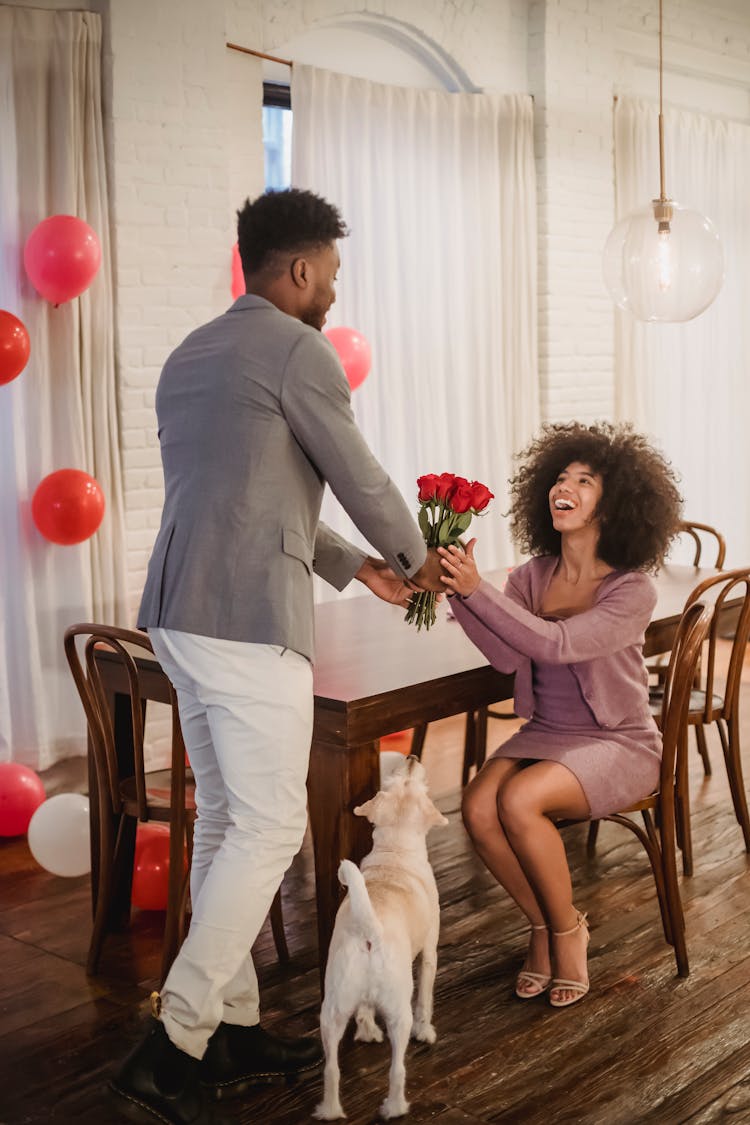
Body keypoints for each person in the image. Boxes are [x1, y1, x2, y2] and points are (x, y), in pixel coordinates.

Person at [111, 188, 443, 1125]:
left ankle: (232, 1025)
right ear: (298, 270)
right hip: (246, 620)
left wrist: (357, 567)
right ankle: (170, 1045)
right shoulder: (300, 348)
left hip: (177, 611)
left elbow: (245, 489)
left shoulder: (191, 354)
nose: (334, 293)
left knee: (223, 822)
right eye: (330, 275)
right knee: (267, 830)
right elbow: (354, 470)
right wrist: (424, 563)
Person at [438, 421, 682, 1009]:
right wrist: (456, 589)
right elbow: (506, 652)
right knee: (477, 805)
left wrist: (479, 591)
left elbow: (558, 645)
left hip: (619, 741)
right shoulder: (530, 576)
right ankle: (547, 922)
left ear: (615, 501)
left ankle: (568, 932)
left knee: (519, 801)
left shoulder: (631, 590)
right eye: (559, 477)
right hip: (549, 731)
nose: (562, 487)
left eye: (584, 480)